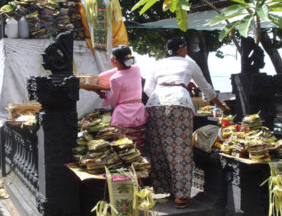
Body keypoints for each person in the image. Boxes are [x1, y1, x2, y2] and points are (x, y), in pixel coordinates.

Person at [144, 37, 228, 208]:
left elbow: (147, 89)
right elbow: (204, 86)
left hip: (155, 104)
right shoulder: (188, 63)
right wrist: (219, 104)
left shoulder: (157, 64)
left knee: (159, 148)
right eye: (185, 47)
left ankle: (165, 188)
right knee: (180, 149)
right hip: (179, 104)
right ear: (181, 49)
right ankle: (181, 195)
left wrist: (160, 98)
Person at [95, 45, 148, 152]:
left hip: (123, 115)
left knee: (123, 148)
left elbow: (114, 100)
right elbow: (119, 71)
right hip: (139, 112)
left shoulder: (115, 79)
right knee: (138, 146)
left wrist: (104, 95)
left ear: (114, 60)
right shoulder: (136, 69)